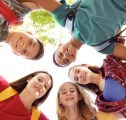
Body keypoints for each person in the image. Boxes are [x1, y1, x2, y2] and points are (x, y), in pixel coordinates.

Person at [39, 0, 126, 67]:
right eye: (66, 60)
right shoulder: (102, 46)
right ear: (74, 59)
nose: (65, 55)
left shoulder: (65, 19)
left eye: (60, 54)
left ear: (59, 45)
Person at [56, 81, 122, 120]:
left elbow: (122, 113)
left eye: (72, 91)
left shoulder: (95, 116)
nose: (68, 94)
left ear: (80, 96)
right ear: (59, 100)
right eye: (64, 92)